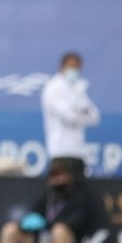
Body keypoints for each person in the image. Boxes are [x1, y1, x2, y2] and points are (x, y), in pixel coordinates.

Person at [0, 157, 108, 243]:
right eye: (53, 176)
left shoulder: (80, 198)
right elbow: (34, 214)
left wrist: (47, 225)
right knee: (9, 230)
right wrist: (27, 223)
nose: (56, 180)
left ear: (70, 177)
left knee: (59, 231)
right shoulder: (49, 196)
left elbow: (75, 224)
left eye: (61, 176)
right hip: (41, 242)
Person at [40, 51, 100, 181]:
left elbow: (95, 117)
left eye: (77, 67)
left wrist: (79, 114)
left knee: (78, 195)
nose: (74, 70)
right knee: (61, 194)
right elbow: (69, 117)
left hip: (77, 151)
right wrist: (82, 114)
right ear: (61, 67)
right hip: (60, 151)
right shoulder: (53, 88)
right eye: (71, 66)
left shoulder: (77, 89)